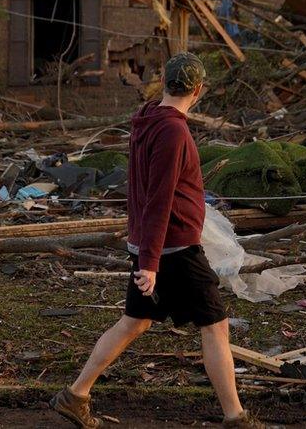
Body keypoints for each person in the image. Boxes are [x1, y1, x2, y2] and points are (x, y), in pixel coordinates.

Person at [51, 53, 261, 428]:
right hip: (173, 247)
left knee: (135, 321)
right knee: (215, 325)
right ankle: (236, 418)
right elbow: (160, 197)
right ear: (197, 91)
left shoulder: (148, 116)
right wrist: (149, 262)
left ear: (164, 81)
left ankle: (75, 395)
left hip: (154, 241)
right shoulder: (173, 131)